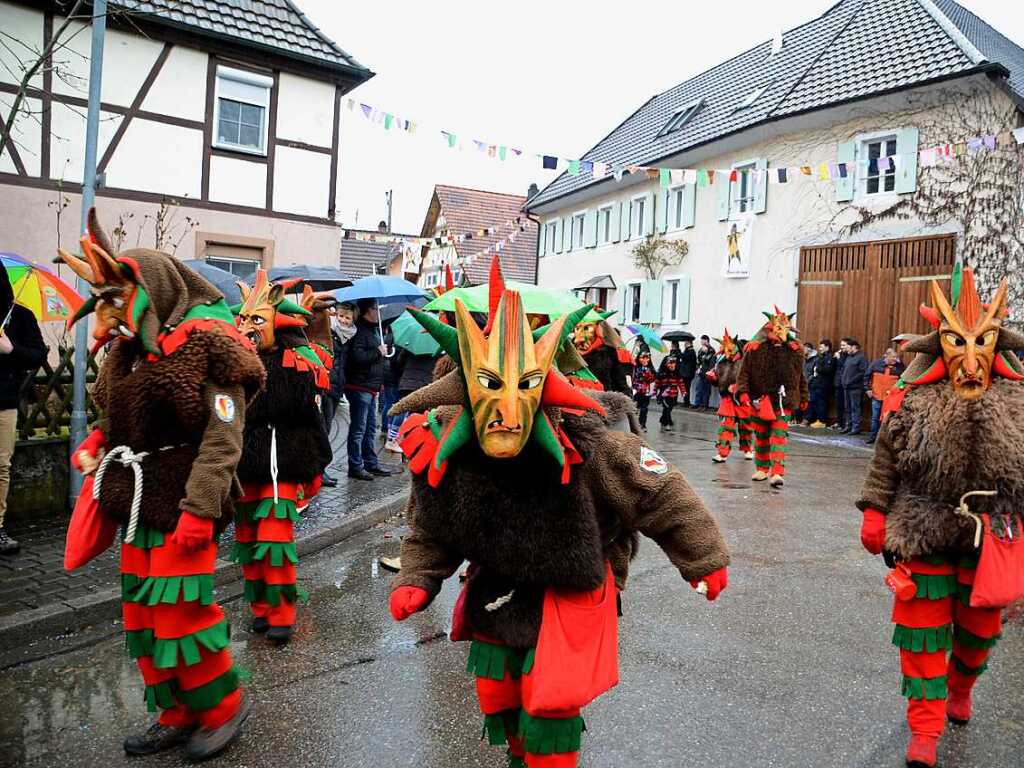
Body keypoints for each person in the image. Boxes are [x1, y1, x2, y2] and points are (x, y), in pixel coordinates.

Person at [387, 266, 729, 768]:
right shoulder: (448, 444)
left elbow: (661, 492)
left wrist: (701, 558)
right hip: (496, 587)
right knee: (500, 694)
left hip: (573, 590)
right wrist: (419, 575)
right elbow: (432, 522)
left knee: (551, 711)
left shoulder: (597, 445)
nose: (505, 413)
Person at [60, 209, 263, 759]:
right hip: (135, 504)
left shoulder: (210, 351)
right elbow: (112, 420)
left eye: (116, 299)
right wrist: (94, 443)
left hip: (183, 502)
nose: (108, 318)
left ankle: (222, 707)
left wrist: (200, 509)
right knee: (144, 617)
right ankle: (176, 712)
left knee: (181, 615)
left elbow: (225, 438)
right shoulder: (126, 355)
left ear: (152, 289)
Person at [856, 265, 1024, 768]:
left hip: (993, 536)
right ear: (940, 346)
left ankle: (962, 687)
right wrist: (874, 510)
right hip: (923, 529)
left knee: (978, 635)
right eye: (957, 343)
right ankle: (924, 729)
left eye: (983, 344)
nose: (970, 360)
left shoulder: (1020, 401)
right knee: (924, 635)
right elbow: (885, 461)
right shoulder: (911, 400)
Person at [232, 269, 332, 645]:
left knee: (274, 541)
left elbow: (278, 404)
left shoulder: (296, 363)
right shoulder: (238, 363)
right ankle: (260, 610)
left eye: (257, 319)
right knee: (248, 540)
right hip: (245, 466)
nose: (247, 327)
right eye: (243, 319)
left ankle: (281, 614)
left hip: (282, 467)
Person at [734, 307, 809, 488]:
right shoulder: (755, 349)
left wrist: (804, 396)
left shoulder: (794, 352)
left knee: (779, 436)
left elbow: (800, 376)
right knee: (761, 436)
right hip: (759, 399)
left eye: (784, 329)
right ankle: (762, 468)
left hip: (784, 401)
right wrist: (743, 393)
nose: (779, 333)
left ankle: (776, 472)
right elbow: (743, 374)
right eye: (776, 328)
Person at [0, 266, 46, 554]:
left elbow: (38, 354)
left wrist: (10, 350)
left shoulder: (20, 316)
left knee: (0, 466)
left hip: (3, 404)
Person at [344, 300, 396, 480]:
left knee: (370, 429)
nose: (378, 312)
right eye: (375, 309)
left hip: (371, 388)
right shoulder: (360, 330)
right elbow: (357, 357)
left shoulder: (375, 330)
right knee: (359, 429)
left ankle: (370, 463)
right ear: (366, 311)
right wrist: (377, 352)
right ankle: (355, 466)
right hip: (359, 386)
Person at [708, 329, 753, 463]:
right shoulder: (721, 363)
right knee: (726, 426)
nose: (728, 354)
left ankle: (748, 449)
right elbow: (719, 383)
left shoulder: (746, 363)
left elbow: (753, 381)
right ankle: (722, 453)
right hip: (727, 399)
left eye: (730, 350)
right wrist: (713, 379)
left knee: (745, 427)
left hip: (742, 399)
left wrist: (738, 388)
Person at [325, 302, 357, 471]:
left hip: (338, 385)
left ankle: (322, 469)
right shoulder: (330, 332)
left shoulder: (349, 337)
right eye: (341, 316)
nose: (344, 321)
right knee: (325, 426)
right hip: (327, 384)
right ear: (336, 316)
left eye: (348, 318)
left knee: (328, 426)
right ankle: (320, 470)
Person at [571, 316, 630, 394]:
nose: (580, 335)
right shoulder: (567, 350)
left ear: (597, 330)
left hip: (601, 402)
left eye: (586, 328)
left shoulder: (608, 352)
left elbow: (620, 384)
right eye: (577, 328)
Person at [864, 346, 905, 445]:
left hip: (891, 398)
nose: (895, 359)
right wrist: (868, 389)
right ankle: (873, 437)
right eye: (893, 357)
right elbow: (866, 377)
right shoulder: (875, 364)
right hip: (877, 395)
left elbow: (904, 380)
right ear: (886, 356)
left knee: (888, 419)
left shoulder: (900, 367)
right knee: (875, 418)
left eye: (896, 357)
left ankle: (886, 440)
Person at [840, 340, 868, 435]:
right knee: (847, 407)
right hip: (846, 387)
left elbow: (863, 372)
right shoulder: (848, 357)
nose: (847, 349)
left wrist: (851, 380)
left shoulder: (861, 358)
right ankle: (848, 425)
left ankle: (856, 428)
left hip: (855, 388)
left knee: (855, 407)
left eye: (848, 347)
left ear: (854, 347)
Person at [807, 339, 835, 428]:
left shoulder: (830, 357)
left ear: (827, 347)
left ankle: (822, 421)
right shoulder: (821, 357)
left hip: (824, 384)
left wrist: (817, 369)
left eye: (821, 347)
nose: (820, 349)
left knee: (821, 402)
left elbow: (828, 370)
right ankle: (817, 419)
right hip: (817, 383)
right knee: (815, 401)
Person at [656, 356, 684, 431]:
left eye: (673, 363)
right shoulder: (662, 374)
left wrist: (683, 392)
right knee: (667, 408)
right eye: (670, 363)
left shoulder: (677, 373)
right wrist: (655, 392)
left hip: (674, 394)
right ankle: (667, 423)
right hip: (664, 395)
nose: (672, 365)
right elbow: (657, 384)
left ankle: (662, 419)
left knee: (669, 408)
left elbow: (681, 383)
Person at [631, 350, 657, 431]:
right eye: (643, 358)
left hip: (646, 391)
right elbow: (633, 378)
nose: (645, 360)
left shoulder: (650, 369)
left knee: (644, 409)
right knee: (634, 408)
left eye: (647, 358)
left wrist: (647, 372)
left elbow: (652, 379)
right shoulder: (635, 367)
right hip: (636, 391)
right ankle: (634, 424)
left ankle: (642, 424)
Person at [830, 338, 852, 430]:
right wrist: (834, 358)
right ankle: (839, 422)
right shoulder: (840, 354)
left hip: (845, 383)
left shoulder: (849, 356)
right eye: (841, 345)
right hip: (838, 382)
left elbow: (844, 366)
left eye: (843, 345)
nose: (841, 347)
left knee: (846, 404)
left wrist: (839, 358)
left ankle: (845, 423)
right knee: (838, 404)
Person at [692, 335, 717, 411]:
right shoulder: (701, 350)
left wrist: (709, 373)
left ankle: (704, 405)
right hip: (701, 373)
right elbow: (698, 360)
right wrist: (697, 368)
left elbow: (712, 363)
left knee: (706, 390)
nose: (701, 342)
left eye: (702, 340)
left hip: (707, 374)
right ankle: (697, 404)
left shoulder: (712, 351)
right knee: (699, 389)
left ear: (706, 340)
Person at [797, 342, 817, 425]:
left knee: (809, 402)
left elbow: (814, 373)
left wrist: (807, 381)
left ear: (809, 349)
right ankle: (798, 418)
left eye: (804, 349)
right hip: (801, 384)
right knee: (800, 401)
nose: (802, 350)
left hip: (810, 384)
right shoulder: (803, 359)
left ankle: (806, 419)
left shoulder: (815, 359)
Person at [678, 340, 697, 407]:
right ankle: (686, 401)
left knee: (686, 388)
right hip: (686, 373)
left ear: (689, 343)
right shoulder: (688, 350)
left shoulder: (691, 351)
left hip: (688, 374)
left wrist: (680, 353)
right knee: (685, 388)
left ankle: (686, 402)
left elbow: (685, 357)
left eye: (685, 343)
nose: (684, 344)